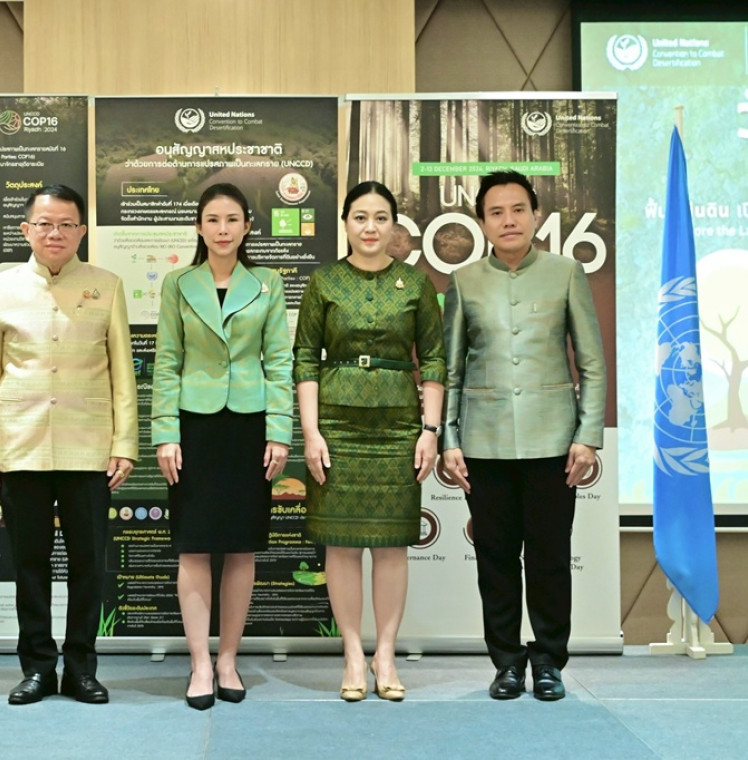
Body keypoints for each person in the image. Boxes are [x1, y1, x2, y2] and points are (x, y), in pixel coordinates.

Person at [442, 171, 606, 701]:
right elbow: (451, 370)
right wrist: (449, 438)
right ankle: (507, 662)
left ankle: (549, 660)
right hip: (483, 442)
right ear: (481, 222)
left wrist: (588, 434)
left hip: (554, 442)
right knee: (494, 558)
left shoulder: (565, 272)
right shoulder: (464, 280)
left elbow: (591, 362)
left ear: (536, 216)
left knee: (550, 557)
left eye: (518, 209)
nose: (508, 220)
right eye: (496, 212)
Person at [0, 184, 137, 705]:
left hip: (88, 447)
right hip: (20, 445)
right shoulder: (1, 288)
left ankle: (81, 668)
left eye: (67, 224)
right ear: (26, 230)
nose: (55, 233)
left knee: (89, 564)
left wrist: (124, 443)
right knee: (29, 564)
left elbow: (122, 373)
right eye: (44, 224)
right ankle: (38, 668)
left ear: (82, 231)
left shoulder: (106, 285)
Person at [293, 181, 445, 702]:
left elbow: (435, 358)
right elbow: (305, 358)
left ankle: (386, 654)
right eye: (360, 217)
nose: (371, 227)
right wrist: (311, 432)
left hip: (399, 425)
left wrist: (429, 430)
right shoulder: (324, 281)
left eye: (381, 217)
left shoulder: (416, 283)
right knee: (340, 545)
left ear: (394, 225)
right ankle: (353, 655)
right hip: (336, 424)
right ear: (345, 223)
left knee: (392, 546)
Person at [152, 183, 293, 710]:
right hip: (194, 426)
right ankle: (199, 664)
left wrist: (279, 431)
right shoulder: (178, 283)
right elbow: (167, 361)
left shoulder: (268, 282)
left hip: (250, 426)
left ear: (247, 226)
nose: (223, 229)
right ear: (198, 226)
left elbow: (279, 360)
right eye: (212, 219)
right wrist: (165, 432)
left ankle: (228, 659)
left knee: (240, 546)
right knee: (193, 545)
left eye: (232, 219)